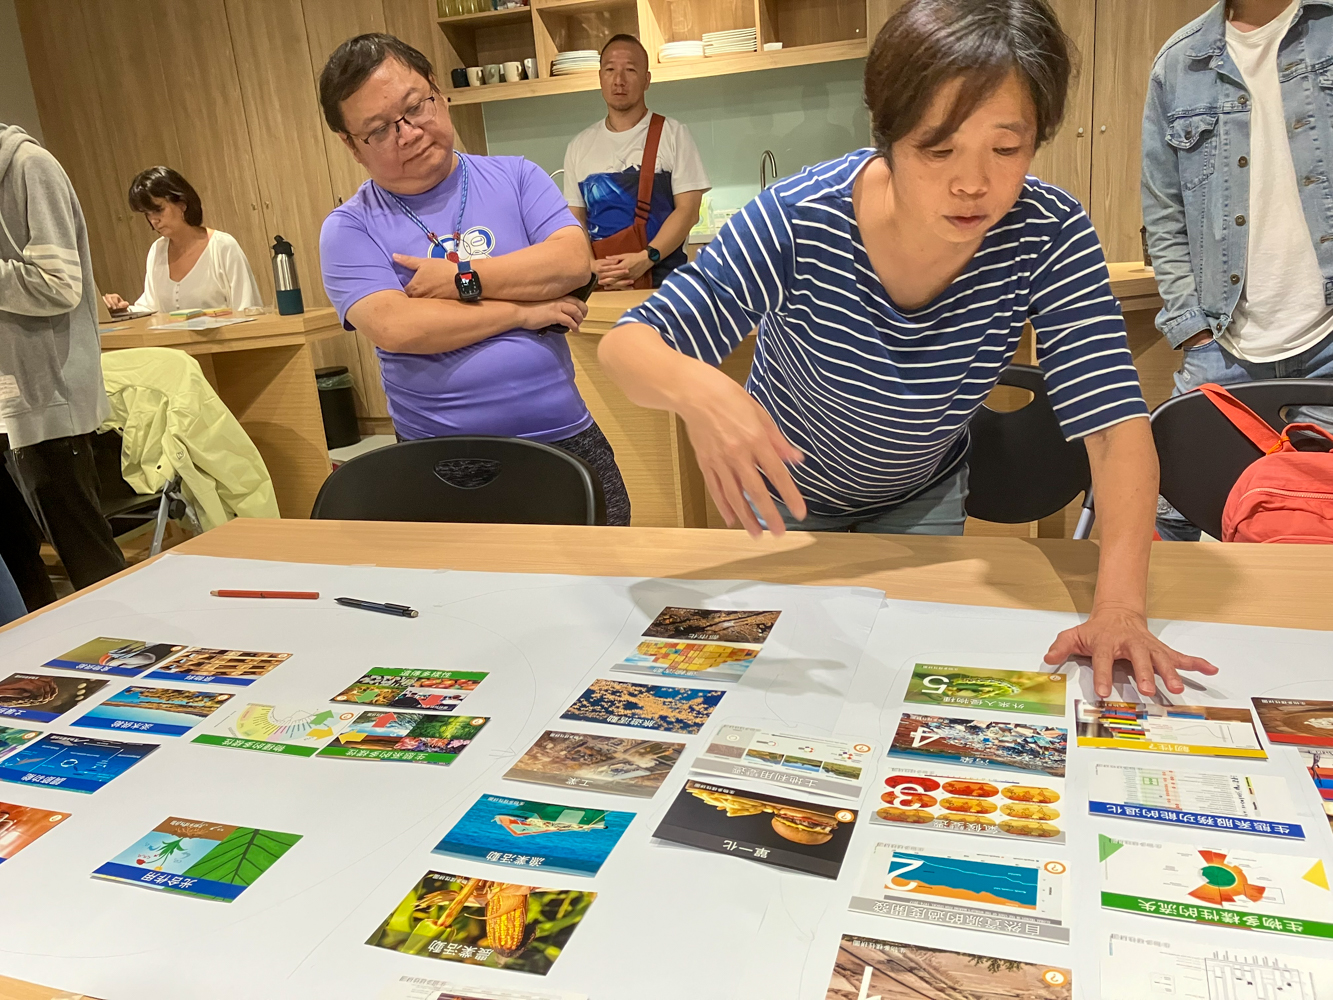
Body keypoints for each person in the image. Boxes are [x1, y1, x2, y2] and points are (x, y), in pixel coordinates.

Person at [599, 0, 1218, 698]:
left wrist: (1118, 609)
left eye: (1005, 149)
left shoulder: (1047, 230)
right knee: (780, 689)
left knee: (900, 677)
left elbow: (1111, 426)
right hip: (783, 496)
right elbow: (627, 347)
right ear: (886, 136)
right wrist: (701, 390)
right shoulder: (799, 220)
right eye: (937, 147)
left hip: (921, 493)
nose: (972, 183)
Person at [316, 33, 630, 525]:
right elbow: (400, 328)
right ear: (352, 147)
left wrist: (460, 279)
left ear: (438, 92)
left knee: (601, 587)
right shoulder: (349, 227)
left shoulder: (517, 176)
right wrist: (523, 311)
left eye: (415, 107)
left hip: (564, 439)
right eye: (378, 130)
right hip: (436, 460)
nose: (408, 133)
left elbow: (570, 264)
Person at [1143, 0, 1333, 541]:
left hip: (1328, 340)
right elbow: (1163, 211)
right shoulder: (1178, 64)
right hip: (1221, 345)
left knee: (1316, 531)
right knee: (1163, 517)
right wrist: (1193, 330)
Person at [0, 123, 126, 592]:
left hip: (46, 400)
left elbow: (59, 283)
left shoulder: (30, 166)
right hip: (5, 401)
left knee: (90, 564)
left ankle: (133, 657)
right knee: (17, 567)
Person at [563, 34, 710, 290]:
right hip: (600, 287)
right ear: (600, 78)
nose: (619, 80)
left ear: (647, 80)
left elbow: (688, 211)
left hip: (663, 287)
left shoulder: (673, 134)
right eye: (610, 69)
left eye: (630, 70)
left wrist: (647, 257)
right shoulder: (579, 146)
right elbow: (575, 221)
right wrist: (590, 266)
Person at [102, 166, 262, 316]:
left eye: (158, 210)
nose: (153, 220)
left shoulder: (223, 246)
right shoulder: (157, 251)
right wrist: (121, 309)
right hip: (173, 345)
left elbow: (249, 310)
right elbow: (150, 309)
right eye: (147, 213)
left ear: (182, 204)